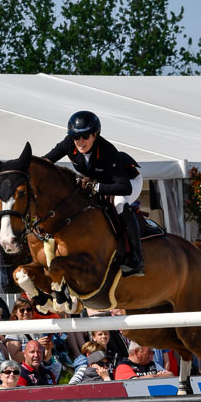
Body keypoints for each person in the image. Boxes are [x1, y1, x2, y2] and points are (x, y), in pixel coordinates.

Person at [43, 111, 144, 277]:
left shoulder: (107, 151)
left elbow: (124, 187)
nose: (80, 141)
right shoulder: (69, 143)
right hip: (99, 181)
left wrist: (97, 187)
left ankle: (136, 258)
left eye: (85, 136)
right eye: (76, 136)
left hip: (128, 182)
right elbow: (46, 162)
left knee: (119, 203)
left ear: (95, 134)